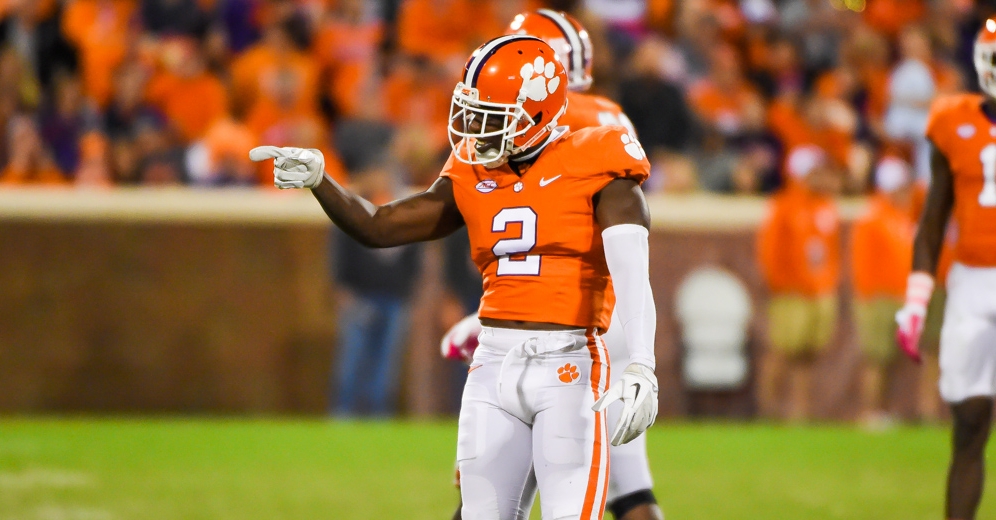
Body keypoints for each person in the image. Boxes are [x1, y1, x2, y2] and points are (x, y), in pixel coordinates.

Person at [250, 35, 659, 520]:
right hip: (492, 361)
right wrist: (322, 180)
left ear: (537, 112)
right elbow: (380, 227)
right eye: (473, 112)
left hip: (569, 363)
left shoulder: (598, 158)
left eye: (492, 116)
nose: (475, 129)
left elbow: (633, 274)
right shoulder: (470, 169)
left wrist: (641, 363)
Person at [441, 10, 665, 520]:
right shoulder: (609, 115)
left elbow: (537, 231)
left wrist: (490, 315)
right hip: (611, 313)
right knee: (630, 487)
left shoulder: (556, 122)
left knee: (490, 491)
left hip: (568, 327)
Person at [895, 18, 996, 520]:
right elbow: (933, 220)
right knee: (970, 421)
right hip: (973, 280)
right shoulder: (952, 122)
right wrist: (916, 301)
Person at [756, 144, 842, 421]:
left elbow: (830, 250)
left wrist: (829, 282)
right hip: (791, 290)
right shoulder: (784, 205)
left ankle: (800, 411)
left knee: (808, 355)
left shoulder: (826, 205)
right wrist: (779, 283)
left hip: (819, 290)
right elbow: (770, 250)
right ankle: (768, 410)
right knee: (782, 351)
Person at [849, 156, 915, 427]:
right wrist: (869, 294)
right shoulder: (873, 216)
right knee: (875, 358)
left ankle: (884, 410)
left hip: (898, 296)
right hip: (878, 297)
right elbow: (861, 261)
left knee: (891, 360)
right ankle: (870, 411)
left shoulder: (900, 216)